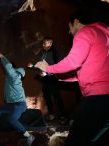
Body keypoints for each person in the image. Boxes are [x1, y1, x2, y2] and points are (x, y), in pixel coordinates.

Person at [35, 9, 109, 146]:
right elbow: (87, 70)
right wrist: (58, 76)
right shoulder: (104, 33)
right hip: (105, 96)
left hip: (97, 97)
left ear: (75, 22)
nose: (69, 32)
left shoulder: (85, 32)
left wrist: (47, 68)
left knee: (76, 139)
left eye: (69, 27)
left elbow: (73, 62)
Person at [0, 53, 35, 146]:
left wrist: (3, 58)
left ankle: (29, 136)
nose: (8, 71)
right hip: (12, 104)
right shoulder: (13, 78)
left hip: (19, 104)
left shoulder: (15, 77)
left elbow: (9, 67)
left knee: (11, 119)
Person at [28, 37, 65, 121]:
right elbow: (42, 65)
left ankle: (63, 115)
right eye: (43, 43)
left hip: (53, 78)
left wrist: (48, 72)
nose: (43, 45)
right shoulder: (44, 53)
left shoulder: (53, 52)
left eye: (45, 43)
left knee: (57, 96)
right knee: (47, 96)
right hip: (46, 79)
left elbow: (55, 66)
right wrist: (33, 66)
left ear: (50, 43)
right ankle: (51, 114)